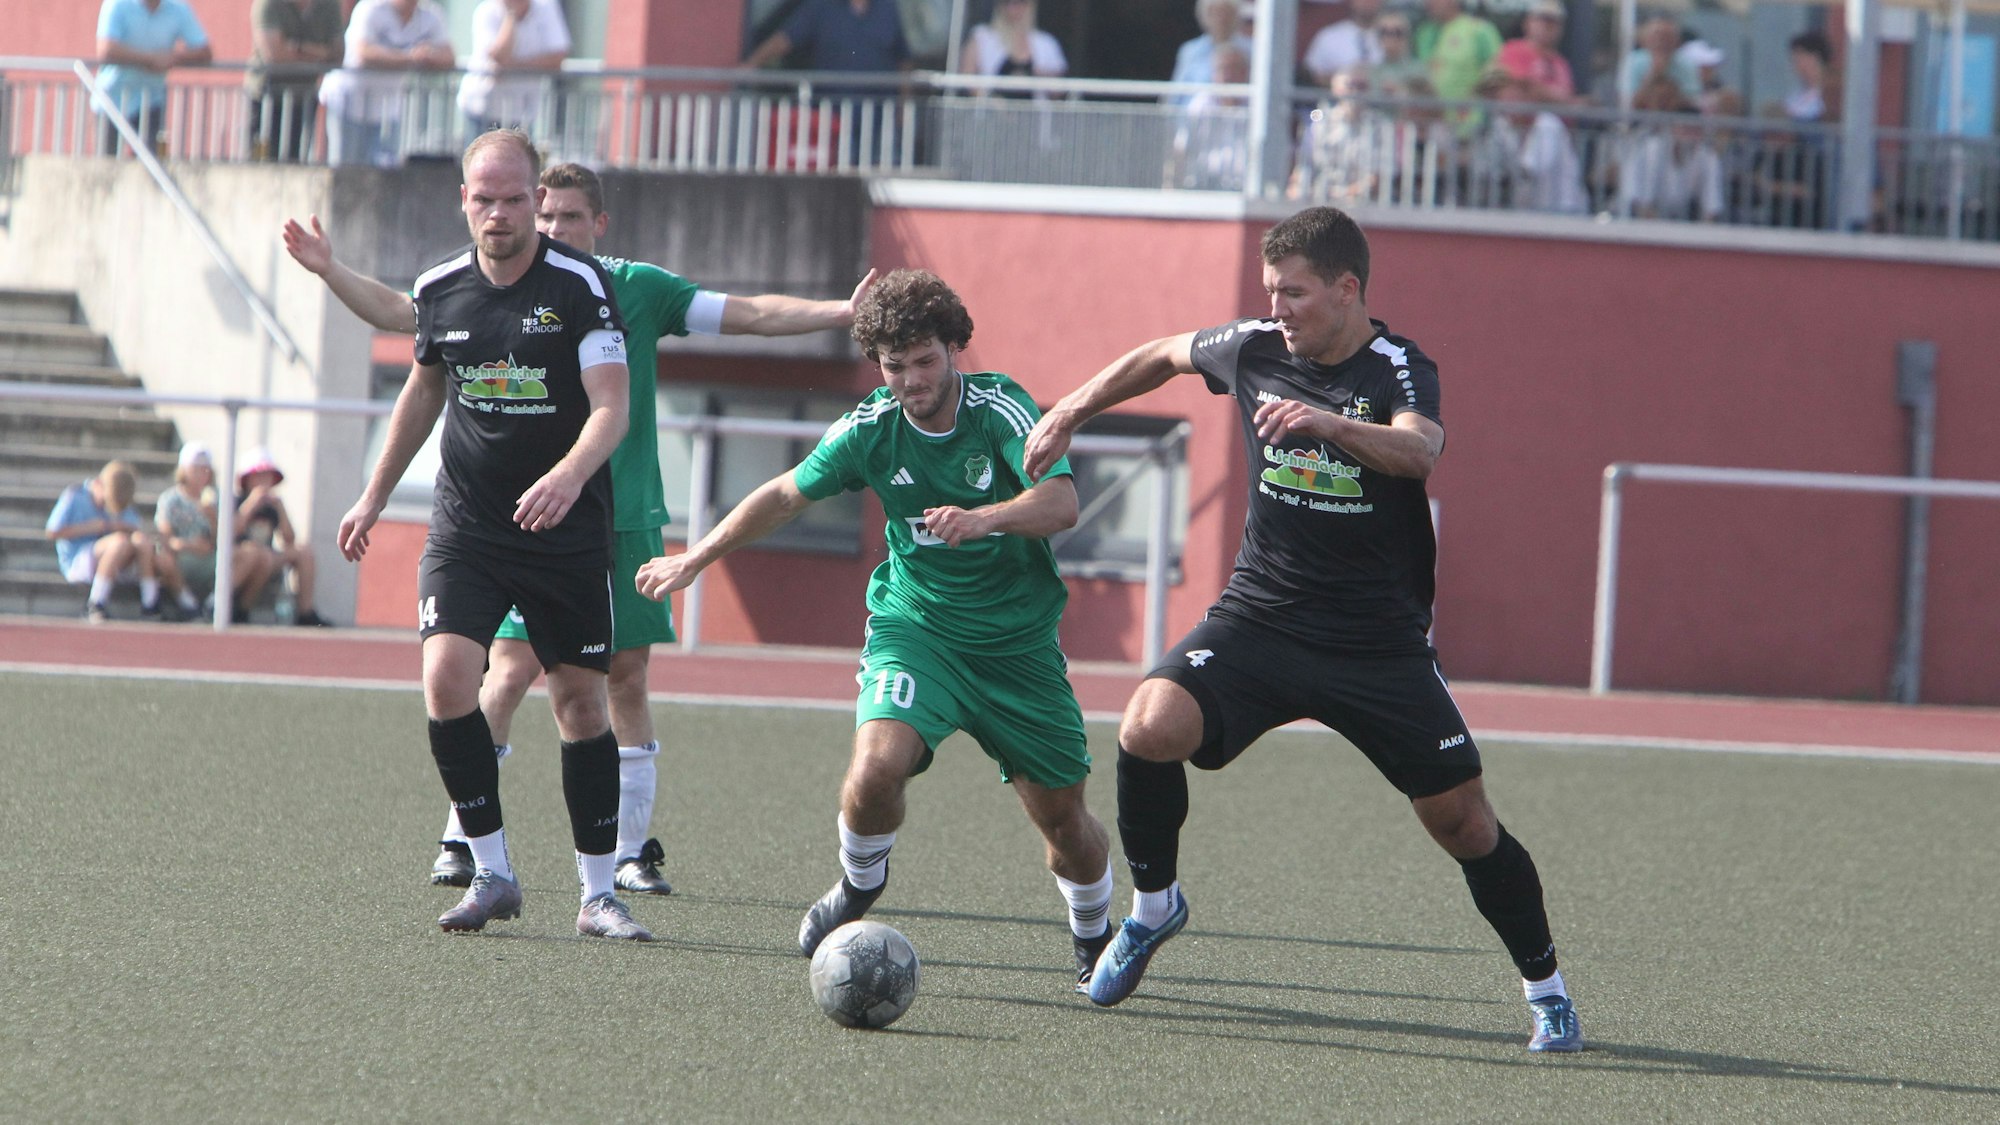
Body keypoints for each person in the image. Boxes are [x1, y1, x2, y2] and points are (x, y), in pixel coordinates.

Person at [1020, 207, 1584, 1052]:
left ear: (1347, 289)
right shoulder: (1254, 347)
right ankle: (1154, 908)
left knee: (1463, 821)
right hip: (1262, 618)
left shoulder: (1397, 365)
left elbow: (1419, 450)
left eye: (1294, 293)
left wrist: (1328, 425)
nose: (1277, 308)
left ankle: (1548, 991)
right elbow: (1159, 355)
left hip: (1376, 643)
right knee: (1148, 725)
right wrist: (1071, 409)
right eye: (1270, 292)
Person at [283, 162, 876, 894]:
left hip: (619, 518)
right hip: (514, 521)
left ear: (599, 224)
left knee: (621, 678)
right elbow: (411, 326)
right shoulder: (487, 281)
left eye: (569, 217)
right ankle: (463, 838)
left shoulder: (633, 288)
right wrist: (333, 274)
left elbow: (748, 312)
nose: (554, 227)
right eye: (547, 214)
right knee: (500, 671)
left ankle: (627, 850)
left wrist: (838, 313)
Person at [634, 269, 1117, 990]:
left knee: (1065, 825)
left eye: (925, 360)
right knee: (872, 772)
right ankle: (859, 883)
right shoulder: (871, 428)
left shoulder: (1001, 407)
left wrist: (983, 517)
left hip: (1018, 648)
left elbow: (1061, 502)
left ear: (954, 348)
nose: (912, 378)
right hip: (916, 628)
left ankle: (1093, 932)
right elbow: (785, 494)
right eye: (895, 366)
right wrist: (696, 557)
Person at [336, 129, 644, 940]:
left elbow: (612, 403)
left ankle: (598, 893)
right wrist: (372, 495)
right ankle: (493, 871)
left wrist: (572, 473)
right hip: (469, 525)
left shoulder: (581, 284)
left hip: (566, 526)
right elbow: (422, 391)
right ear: (463, 200)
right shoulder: (440, 287)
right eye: (485, 198)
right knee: (447, 681)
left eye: (515, 199)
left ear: (537, 201)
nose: (500, 212)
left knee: (579, 702)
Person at [318, 0, 455, 168]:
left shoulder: (431, 15)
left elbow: (449, 57)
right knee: (346, 167)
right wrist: (410, 57)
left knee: (384, 170)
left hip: (388, 108)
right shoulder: (370, 9)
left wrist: (429, 56)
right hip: (349, 103)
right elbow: (364, 52)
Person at [47, 460, 187, 623]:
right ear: (99, 484)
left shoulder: (122, 500)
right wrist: (97, 527)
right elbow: (52, 531)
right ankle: (95, 603)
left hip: (116, 561)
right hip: (79, 560)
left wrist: (128, 529)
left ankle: (151, 605)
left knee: (143, 543)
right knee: (119, 541)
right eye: (106, 502)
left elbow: (134, 528)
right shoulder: (75, 496)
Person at [155, 442, 274, 618]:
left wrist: (212, 518)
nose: (201, 474)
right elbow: (165, 538)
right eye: (196, 468)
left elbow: (227, 538)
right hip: (183, 558)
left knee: (251, 553)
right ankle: (186, 603)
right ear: (184, 470)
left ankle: (214, 603)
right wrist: (189, 545)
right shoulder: (170, 499)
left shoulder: (217, 497)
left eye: (205, 469)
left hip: (212, 559)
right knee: (162, 558)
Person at [94, 0, 212, 158]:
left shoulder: (178, 9)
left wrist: (173, 57)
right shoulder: (117, 4)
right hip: (112, 100)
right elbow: (106, 49)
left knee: (151, 163)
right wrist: (150, 60)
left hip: (151, 101)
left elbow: (204, 51)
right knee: (107, 164)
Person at [233, 447, 331, 627]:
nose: (264, 481)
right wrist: (251, 505)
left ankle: (305, 612)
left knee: (304, 552)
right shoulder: (236, 501)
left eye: (267, 476)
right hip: (240, 557)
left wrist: (281, 509)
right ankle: (238, 608)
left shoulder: (272, 507)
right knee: (259, 555)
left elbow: (289, 540)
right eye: (259, 476)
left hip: (267, 556)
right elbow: (230, 532)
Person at [245, 0, 343, 162]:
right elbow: (275, 55)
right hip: (265, 97)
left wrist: (296, 48)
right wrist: (320, 53)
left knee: (297, 159)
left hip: (304, 98)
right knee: (260, 158)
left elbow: (337, 56)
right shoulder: (268, 4)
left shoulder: (329, 5)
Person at [458, 0, 571, 138]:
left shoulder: (546, 7)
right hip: (483, 110)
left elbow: (557, 57)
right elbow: (499, 56)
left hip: (523, 114)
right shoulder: (486, 11)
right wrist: (511, 16)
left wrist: (513, 66)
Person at [1165, 41, 1251, 191]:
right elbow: (1180, 149)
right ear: (1213, 74)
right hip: (1205, 185)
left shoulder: (1256, 107)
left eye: (1234, 69)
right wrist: (1171, 190)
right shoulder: (1201, 104)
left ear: (1245, 73)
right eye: (1222, 69)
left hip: (1245, 188)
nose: (1227, 76)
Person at [960, 0, 1067, 95]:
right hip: (991, 113)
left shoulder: (1046, 43)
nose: (1013, 7)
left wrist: (1038, 76)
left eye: (1020, 2)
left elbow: (1058, 90)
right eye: (1007, 2)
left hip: (1034, 114)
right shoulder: (982, 37)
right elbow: (966, 77)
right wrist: (990, 100)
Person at [1494, 0, 1576, 105]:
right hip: (1519, 120)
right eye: (1543, 20)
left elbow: (1568, 97)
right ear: (1527, 23)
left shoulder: (1560, 62)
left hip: (1555, 120)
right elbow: (1520, 86)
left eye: (1554, 22)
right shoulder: (1514, 50)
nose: (1548, 26)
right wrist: (1557, 97)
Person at [1171, 0, 1254, 101]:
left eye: (1226, 12)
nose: (1221, 19)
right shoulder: (1191, 51)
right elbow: (1176, 95)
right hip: (1196, 114)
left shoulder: (1252, 49)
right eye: (1214, 13)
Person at [1303, 0, 1386, 89]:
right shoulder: (1329, 35)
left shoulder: (1394, 34)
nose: (1367, 2)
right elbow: (1312, 74)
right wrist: (1341, 80)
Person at [1618, 16, 1698, 105]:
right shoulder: (1633, 62)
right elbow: (1627, 101)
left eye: (1667, 37)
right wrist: (1654, 73)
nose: (1662, 41)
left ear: (1677, 41)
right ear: (1644, 40)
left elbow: (1693, 100)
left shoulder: (1686, 64)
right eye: (1657, 36)